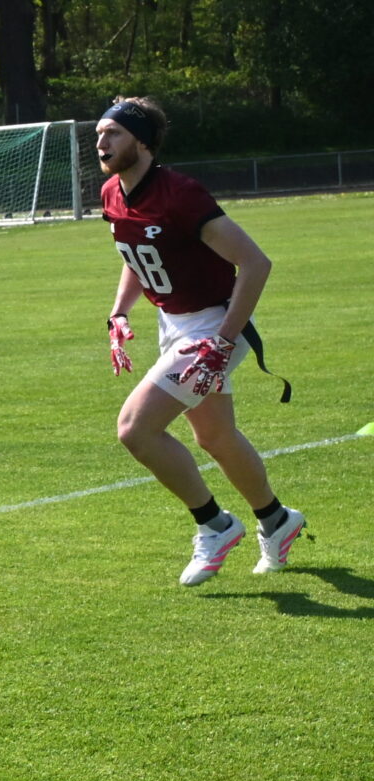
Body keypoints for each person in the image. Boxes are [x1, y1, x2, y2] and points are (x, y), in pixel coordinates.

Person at [97, 96, 306, 586]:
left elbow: (255, 263)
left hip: (212, 324)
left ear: (142, 142)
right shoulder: (111, 192)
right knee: (213, 436)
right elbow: (135, 254)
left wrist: (223, 342)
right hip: (174, 323)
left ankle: (215, 524)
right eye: (100, 135)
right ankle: (276, 521)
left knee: (135, 428)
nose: (102, 143)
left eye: (115, 134)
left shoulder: (181, 193)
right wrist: (119, 312)